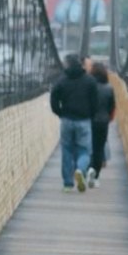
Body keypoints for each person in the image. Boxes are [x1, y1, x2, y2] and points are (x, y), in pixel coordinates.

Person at [50, 53, 98, 192]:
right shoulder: (90, 81)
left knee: (66, 151)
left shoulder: (62, 80)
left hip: (66, 120)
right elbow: (95, 102)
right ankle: (80, 169)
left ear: (67, 65)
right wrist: (91, 115)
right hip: (84, 120)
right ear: (80, 64)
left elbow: (53, 98)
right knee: (84, 150)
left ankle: (67, 183)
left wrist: (59, 112)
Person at [88, 60, 116, 188]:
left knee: (88, 148)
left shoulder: (88, 86)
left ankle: (88, 169)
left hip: (89, 121)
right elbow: (112, 107)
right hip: (103, 122)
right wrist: (109, 118)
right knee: (99, 149)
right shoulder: (109, 88)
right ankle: (96, 176)